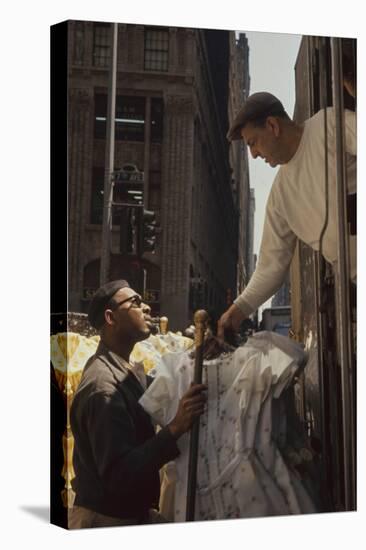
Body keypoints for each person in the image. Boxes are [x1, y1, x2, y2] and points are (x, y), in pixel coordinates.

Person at [217, 91, 356, 341]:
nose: (254, 154)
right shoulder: (280, 197)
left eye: (253, 142)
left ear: (272, 125)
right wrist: (236, 313)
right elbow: (271, 268)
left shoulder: (327, 125)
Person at [69, 279, 207, 529]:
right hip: (106, 521)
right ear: (111, 318)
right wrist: (175, 427)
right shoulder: (103, 388)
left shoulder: (120, 367)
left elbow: (159, 384)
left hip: (128, 515)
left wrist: (200, 354)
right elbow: (120, 474)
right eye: (135, 303)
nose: (147, 308)